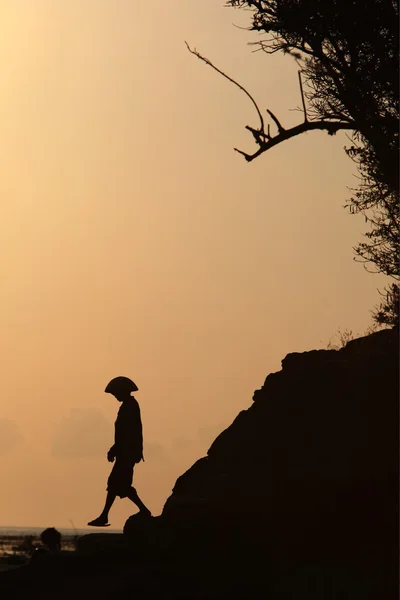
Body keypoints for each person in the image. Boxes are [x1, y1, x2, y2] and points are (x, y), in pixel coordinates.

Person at [88, 376, 151, 526]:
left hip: (127, 453)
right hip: (125, 452)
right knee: (118, 484)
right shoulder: (128, 405)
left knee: (117, 483)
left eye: (116, 393)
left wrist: (116, 449)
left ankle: (106, 516)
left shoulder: (130, 406)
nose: (115, 396)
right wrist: (115, 448)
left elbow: (128, 432)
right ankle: (107, 515)